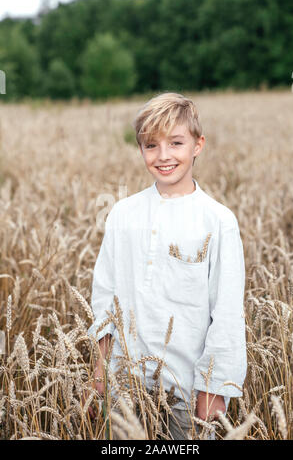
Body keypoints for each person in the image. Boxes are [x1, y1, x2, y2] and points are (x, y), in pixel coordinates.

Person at [84, 92, 247, 440]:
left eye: (176, 143)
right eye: (151, 145)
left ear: (197, 145)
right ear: (141, 150)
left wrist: (213, 391)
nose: (164, 156)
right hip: (125, 384)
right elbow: (105, 300)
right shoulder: (123, 214)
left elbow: (228, 313)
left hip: (188, 389)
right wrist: (99, 375)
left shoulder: (218, 221)